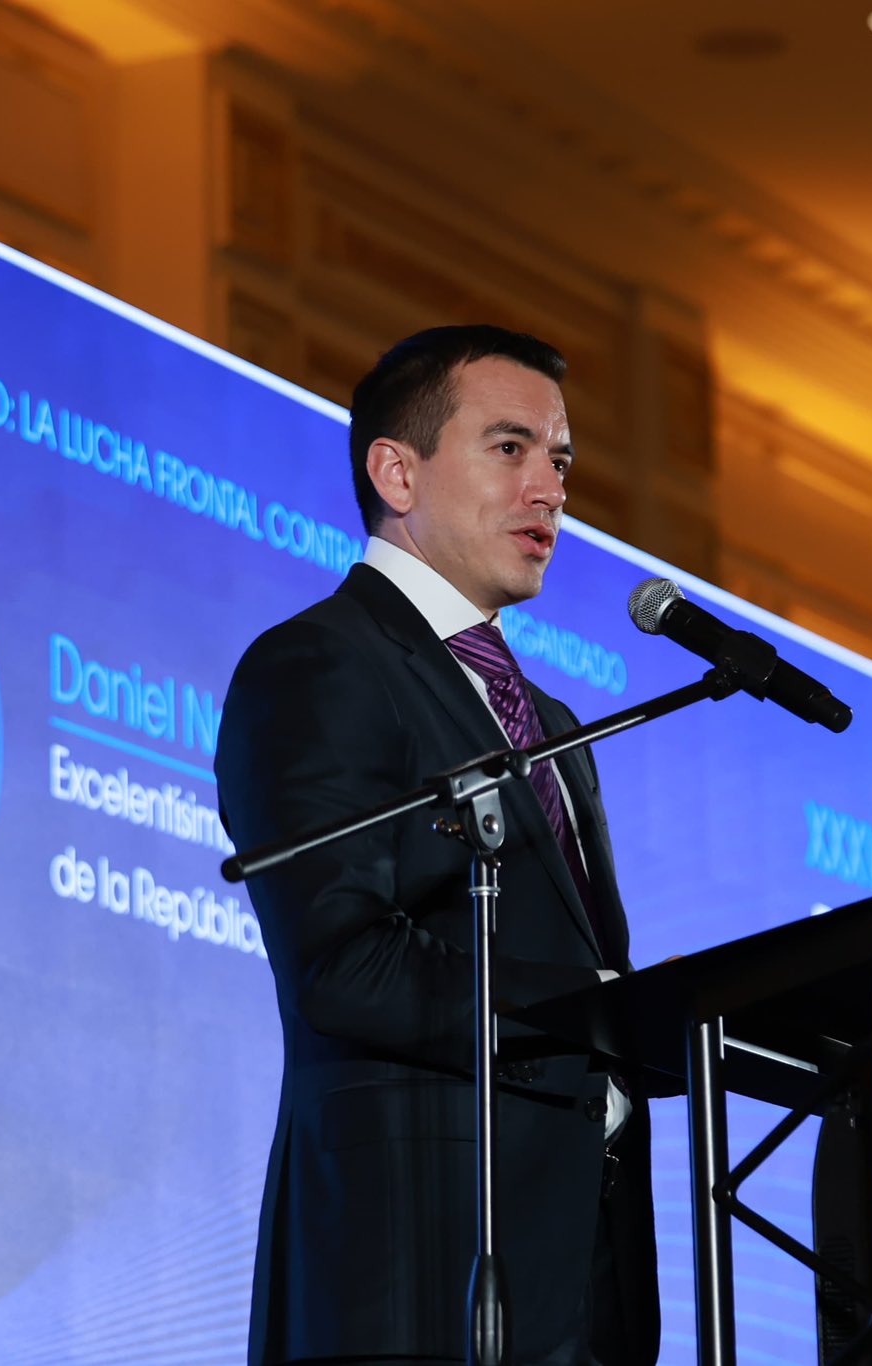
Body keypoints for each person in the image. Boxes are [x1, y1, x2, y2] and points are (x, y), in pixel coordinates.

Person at [216, 326, 659, 1366]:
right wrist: (595, 1009)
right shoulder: (318, 663)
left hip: (579, 1282)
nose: (549, 490)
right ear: (397, 472)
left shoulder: (552, 722)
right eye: (509, 449)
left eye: (559, 461)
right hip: (417, 1269)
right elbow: (341, 962)